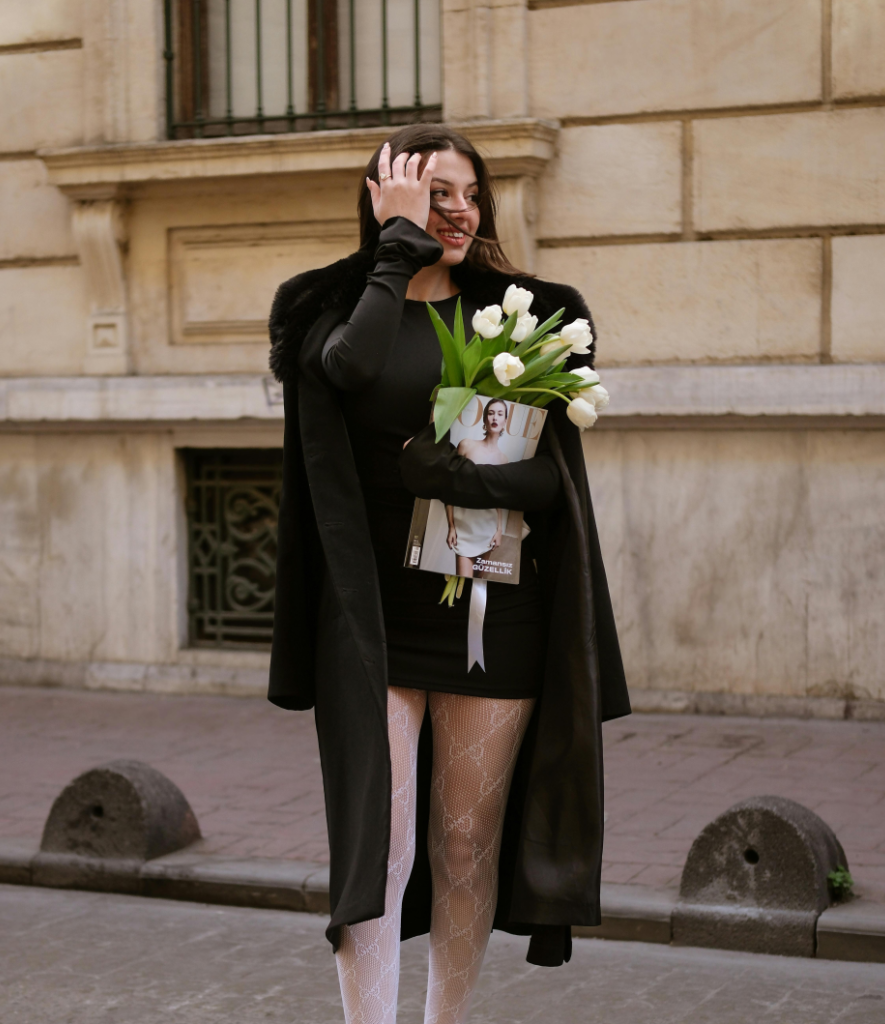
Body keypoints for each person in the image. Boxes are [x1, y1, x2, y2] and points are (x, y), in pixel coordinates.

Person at [268, 123, 630, 1024]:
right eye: (436, 194)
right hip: (373, 623)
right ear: (385, 197)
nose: (460, 210)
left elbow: (552, 480)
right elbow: (349, 367)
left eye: (469, 192)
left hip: (494, 610)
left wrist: (456, 476)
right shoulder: (326, 308)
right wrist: (395, 254)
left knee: (466, 842)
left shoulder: (531, 312)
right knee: (376, 849)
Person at [446, 398, 510, 577]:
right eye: (490, 413)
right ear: (484, 419)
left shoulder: (504, 459)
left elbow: (498, 498)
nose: (494, 418)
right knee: (463, 581)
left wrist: (499, 530)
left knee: (478, 586)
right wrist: (451, 526)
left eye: (499, 414)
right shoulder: (466, 445)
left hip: (488, 530)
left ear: (505, 422)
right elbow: (451, 487)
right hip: (464, 528)